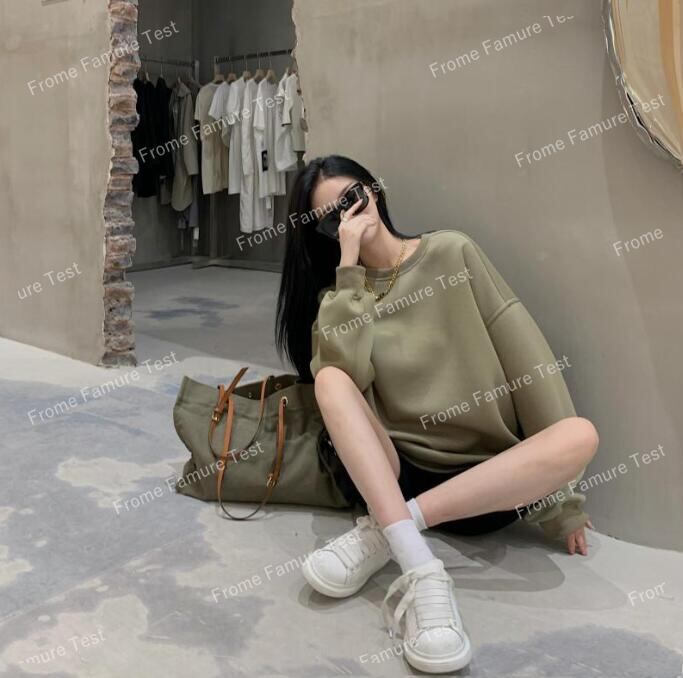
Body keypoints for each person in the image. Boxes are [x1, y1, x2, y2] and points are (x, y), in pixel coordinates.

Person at [275, 155, 598, 674]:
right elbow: (346, 376)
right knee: (330, 379)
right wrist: (349, 268)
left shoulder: (452, 252)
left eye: (354, 197)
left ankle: (390, 532)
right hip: (394, 476)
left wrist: (563, 508)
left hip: (489, 484)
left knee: (579, 435)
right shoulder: (338, 297)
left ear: (375, 191)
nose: (351, 216)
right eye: (333, 217)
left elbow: (531, 364)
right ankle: (422, 569)